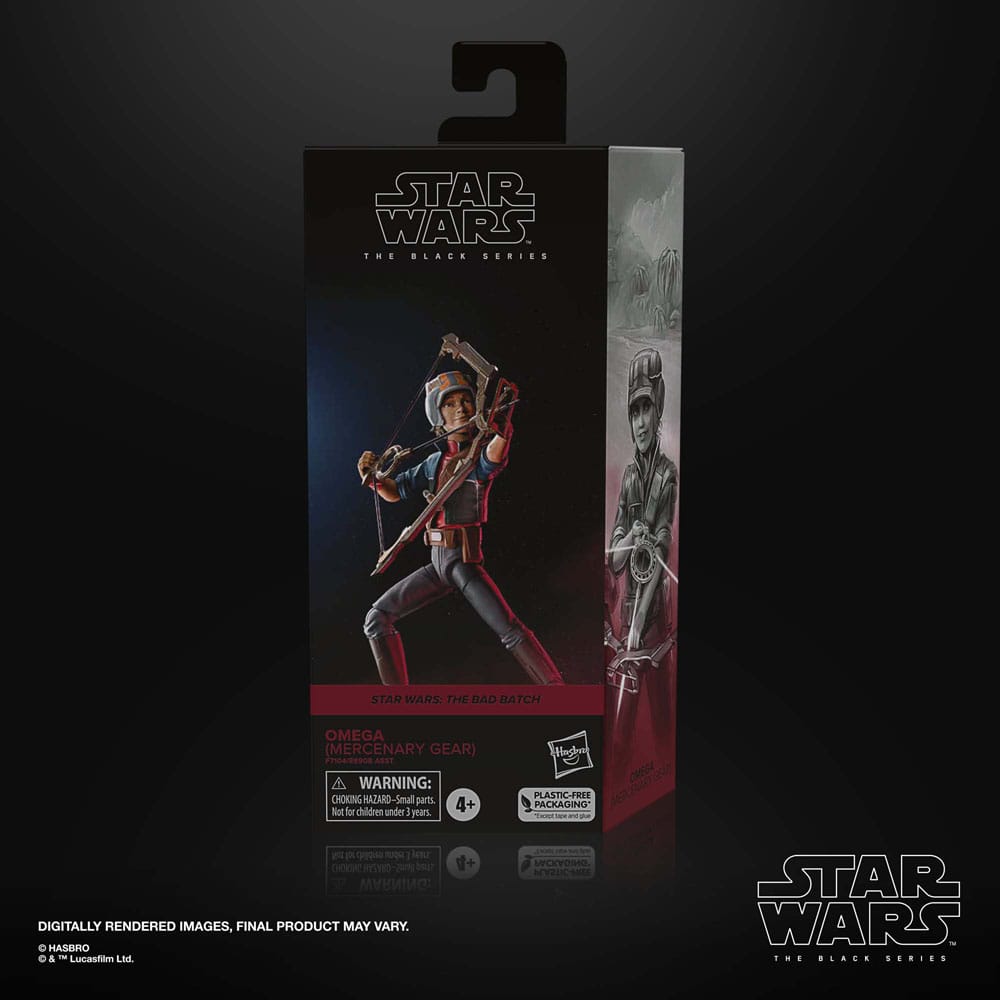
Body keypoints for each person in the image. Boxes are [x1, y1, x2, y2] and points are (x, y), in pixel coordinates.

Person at [357, 370, 563, 686]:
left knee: (510, 631)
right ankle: (397, 705)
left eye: (466, 400)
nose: (462, 409)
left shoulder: (477, 457)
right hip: (437, 565)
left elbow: (493, 457)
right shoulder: (433, 463)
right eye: (450, 404)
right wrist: (373, 478)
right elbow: (395, 490)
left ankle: (558, 694)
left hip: (462, 563)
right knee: (376, 618)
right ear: (438, 417)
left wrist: (503, 431)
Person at [606, 348, 678, 775]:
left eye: (646, 408)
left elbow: (663, 546)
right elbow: (615, 562)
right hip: (629, 628)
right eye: (634, 412)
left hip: (655, 627)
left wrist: (637, 630)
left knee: (666, 724)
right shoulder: (630, 476)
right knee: (620, 734)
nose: (640, 422)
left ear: (659, 409)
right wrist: (629, 538)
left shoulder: (668, 474)